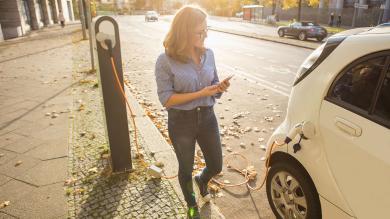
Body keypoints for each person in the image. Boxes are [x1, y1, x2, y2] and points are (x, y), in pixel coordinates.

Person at [154, 5, 230, 219]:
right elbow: (166, 99)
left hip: (207, 117)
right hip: (181, 122)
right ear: (184, 32)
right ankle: (191, 205)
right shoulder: (165, 60)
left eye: (206, 30)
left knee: (216, 164)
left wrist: (218, 88)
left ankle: (202, 180)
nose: (205, 35)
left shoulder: (209, 54)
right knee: (185, 169)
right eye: (200, 31)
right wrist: (201, 93)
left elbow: (213, 85)